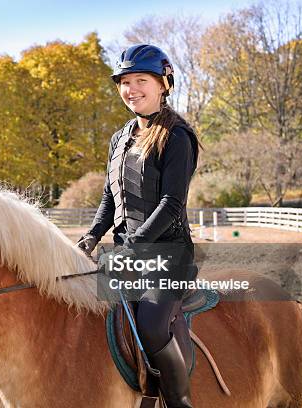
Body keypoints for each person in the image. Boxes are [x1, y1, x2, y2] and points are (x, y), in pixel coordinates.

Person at [76, 44, 201, 408]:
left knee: (149, 323)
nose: (132, 89)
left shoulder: (178, 136)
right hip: (126, 254)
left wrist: (136, 244)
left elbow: (171, 204)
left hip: (168, 256)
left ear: (163, 83)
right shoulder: (119, 138)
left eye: (141, 80)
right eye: (125, 82)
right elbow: (109, 198)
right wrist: (91, 236)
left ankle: (179, 401)